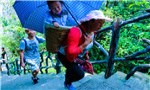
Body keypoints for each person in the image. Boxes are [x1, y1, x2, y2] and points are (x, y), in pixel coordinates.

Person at [57, 10, 112, 90]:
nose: (101, 26)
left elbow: (87, 45)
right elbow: (70, 52)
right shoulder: (75, 31)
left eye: (102, 24)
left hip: (77, 55)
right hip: (65, 55)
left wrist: (86, 54)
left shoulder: (92, 32)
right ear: (90, 22)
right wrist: (85, 44)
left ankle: (68, 80)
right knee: (79, 74)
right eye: (99, 23)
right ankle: (67, 82)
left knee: (72, 69)